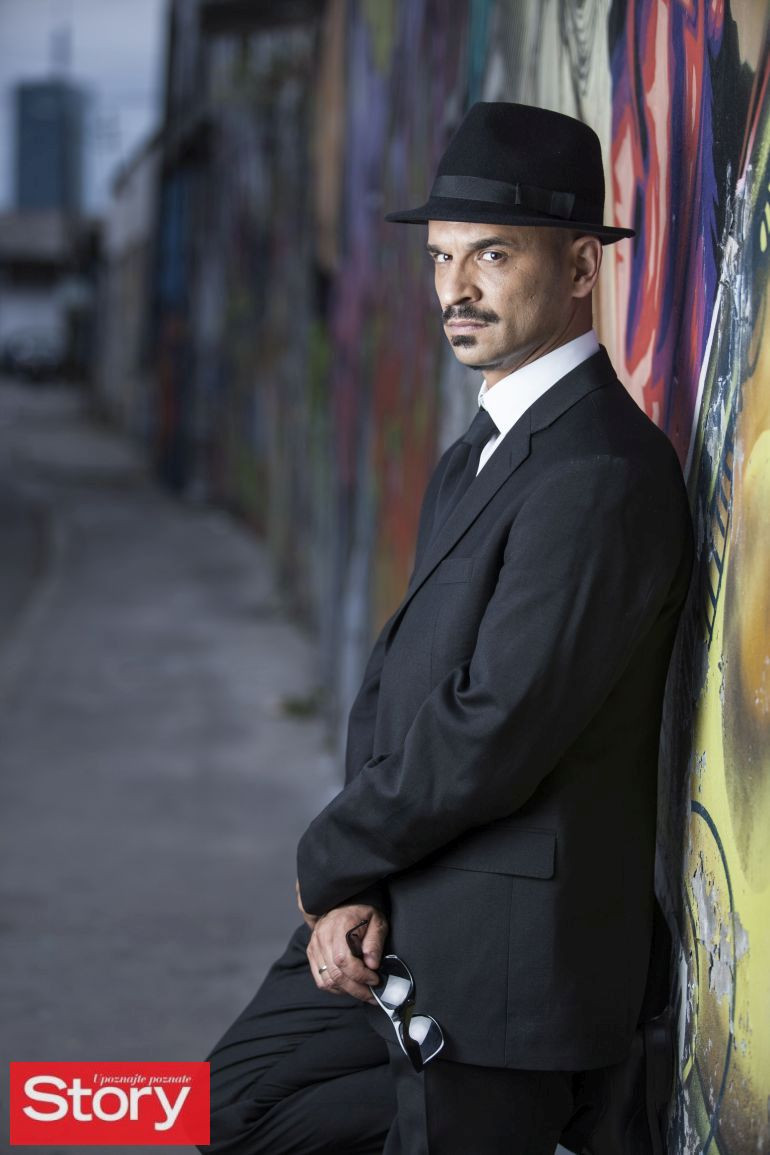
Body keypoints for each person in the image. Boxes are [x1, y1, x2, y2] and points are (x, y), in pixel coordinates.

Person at [202, 102, 694, 1155]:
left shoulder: (600, 473)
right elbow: (401, 688)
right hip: (409, 904)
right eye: (440, 256)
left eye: (491, 255)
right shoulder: (482, 450)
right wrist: (358, 885)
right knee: (224, 1105)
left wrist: (335, 855)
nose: (454, 289)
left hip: (502, 969)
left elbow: (493, 724)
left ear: (580, 268)